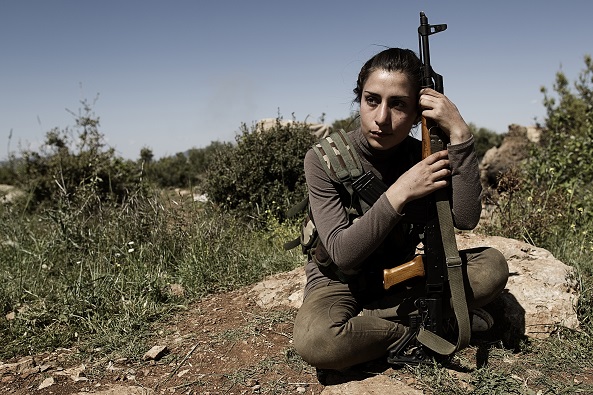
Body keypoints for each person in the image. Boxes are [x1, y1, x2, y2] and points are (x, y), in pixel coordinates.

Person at [292, 48, 509, 371]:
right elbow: (343, 253)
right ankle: (410, 333)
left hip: (403, 275)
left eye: (398, 104)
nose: (381, 118)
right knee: (318, 340)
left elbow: (465, 218)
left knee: (491, 267)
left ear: (417, 113)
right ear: (359, 100)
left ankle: (370, 325)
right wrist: (402, 191)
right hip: (340, 281)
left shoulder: (424, 155)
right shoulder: (323, 160)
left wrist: (460, 136)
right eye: (372, 100)